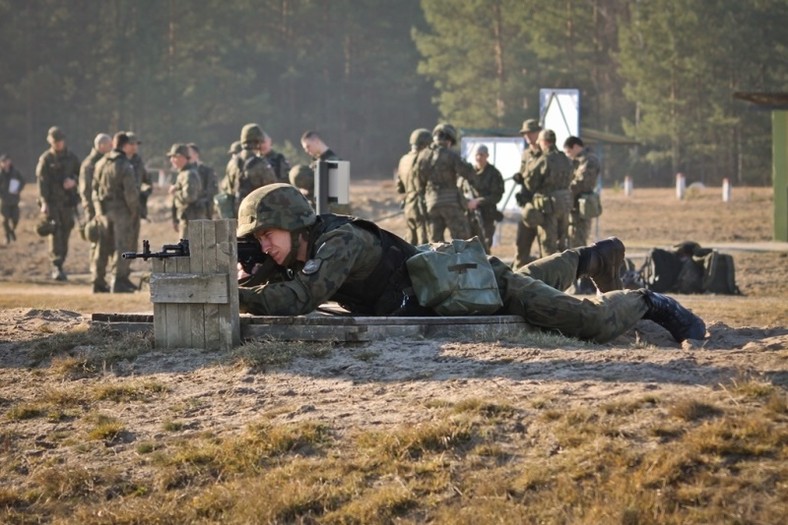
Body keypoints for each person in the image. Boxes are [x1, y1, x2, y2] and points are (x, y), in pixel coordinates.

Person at [235, 183, 706, 344]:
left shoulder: (337, 243)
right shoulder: (298, 250)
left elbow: (300, 299)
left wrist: (234, 295)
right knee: (521, 284)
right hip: (454, 290)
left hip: (460, 285)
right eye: (255, 240)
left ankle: (651, 302)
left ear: (295, 224)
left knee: (584, 321)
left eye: (265, 235)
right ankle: (592, 258)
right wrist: (253, 271)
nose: (263, 246)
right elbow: (282, 281)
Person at [92, 132, 139, 293]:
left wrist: (98, 211)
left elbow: (94, 190)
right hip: (121, 210)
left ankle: (97, 281)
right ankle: (117, 281)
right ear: (125, 146)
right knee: (122, 245)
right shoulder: (125, 165)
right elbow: (130, 193)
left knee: (102, 246)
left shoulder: (100, 163)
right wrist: (133, 211)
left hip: (104, 210)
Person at [414, 123, 473, 243]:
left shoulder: (423, 156)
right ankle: (462, 262)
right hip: (451, 204)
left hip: (431, 204)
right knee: (462, 242)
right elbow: (468, 173)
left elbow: (419, 183)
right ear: (450, 140)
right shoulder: (451, 155)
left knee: (435, 244)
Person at [35, 126, 81, 281]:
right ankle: (57, 266)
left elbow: (82, 175)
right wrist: (44, 202)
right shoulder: (46, 159)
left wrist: (73, 182)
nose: (58, 144)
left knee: (66, 231)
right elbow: (42, 183)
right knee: (56, 233)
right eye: (55, 141)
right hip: (53, 203)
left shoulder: (72, 157)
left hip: (68, 203)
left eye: (60, 141)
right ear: (51, 142)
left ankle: (61, 262)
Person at [523, 129, 573, 256]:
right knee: (563, 245)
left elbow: (530, 183)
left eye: (539, 141)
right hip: (564, 206)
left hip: (548, 209)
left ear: (544, 142)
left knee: (548, 247)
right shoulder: (566, 159)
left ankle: (549, 275)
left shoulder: (544, 159)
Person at [219, 123, 277, 218]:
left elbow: (228, 190)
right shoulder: (261, 164)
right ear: (258, 141)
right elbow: (272, 192)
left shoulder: (232, 163)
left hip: (237, 215)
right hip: (257, 215)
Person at [512, 118, 542, 267]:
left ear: (538, 133)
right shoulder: (526, 154)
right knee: (521, 243)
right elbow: (524, 174)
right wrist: (520, 178)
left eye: (530, 133)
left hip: (544, 206)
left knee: (546, 247)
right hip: (528, 206)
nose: (527, 136)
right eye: (525, 134)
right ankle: (518, 277)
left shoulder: (547, 153)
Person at [464, 144, 504, 253]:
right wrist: (467, 202)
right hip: (469, 215)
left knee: (484, 247)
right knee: (467, 246)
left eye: (481, 155)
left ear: (487, 156)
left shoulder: (494, 174)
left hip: (486, 216)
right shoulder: (468, 173)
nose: (479, 158)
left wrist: (479, 201)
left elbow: (497, 195)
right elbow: (461, 190)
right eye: (477, 155)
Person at [564, 136, 602, 248]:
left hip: (581, 206)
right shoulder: (578, 160)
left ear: (575, 147)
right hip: (574, 205)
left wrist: (565, 192)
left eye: (569, 152)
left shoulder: (589, 160)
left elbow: (582, 182)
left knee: (578, 241)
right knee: (572, 239)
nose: (568, 155)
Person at [396, 128, 431, 245]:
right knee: (424, 245)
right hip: (421, 205)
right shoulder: (423, 160)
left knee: (410, 243)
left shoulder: (403, 160)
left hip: (408, 205)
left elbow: (399, 188)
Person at [166, 143, 203, 238]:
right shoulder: (183, 173)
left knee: (187, 250)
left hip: (191, 221)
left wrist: (175, 191)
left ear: (182, 157)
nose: (172, 160)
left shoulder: (189, 174)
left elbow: (190, 197)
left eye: (174, 157)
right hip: (186, 219)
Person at [188, 143, 219, 219]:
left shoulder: (206, 171)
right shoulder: (185, 172)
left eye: (189, 154)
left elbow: (212, 191)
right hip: (188, 212)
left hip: (203, 211)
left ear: (196, 154)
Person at [0, 154, 25, 244]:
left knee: (15, 219)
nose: (5, 163)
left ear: (10, 161)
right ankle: (7, 236)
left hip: (14, 200)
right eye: (3, 162)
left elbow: (22, 181)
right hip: (4, 201)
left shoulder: (15, 172)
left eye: (7, 161)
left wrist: (18, 189)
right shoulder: (0, 174)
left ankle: (12, 231)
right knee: (5, 220)